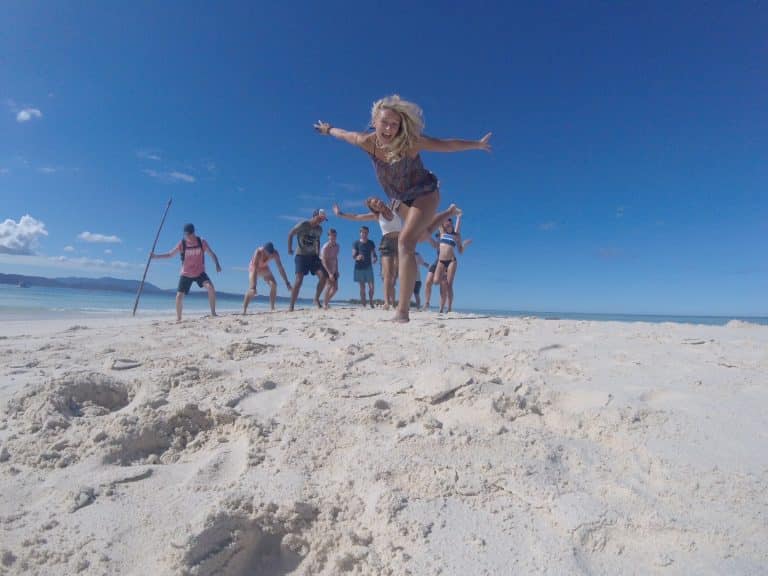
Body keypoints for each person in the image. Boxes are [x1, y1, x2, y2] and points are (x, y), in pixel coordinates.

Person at [314, 94, 491, 322]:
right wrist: (328, 130)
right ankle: (445, 216)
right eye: (384, 122)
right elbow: (345, 134)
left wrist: (476, 144)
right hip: (399, 199)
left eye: (394, 124)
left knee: (406, 241)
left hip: (425, 193)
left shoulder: (411, 143)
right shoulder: (366, 141)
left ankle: (402, 312)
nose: (388, 128)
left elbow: (446, 144)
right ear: (374, 122)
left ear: (400, 126)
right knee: (418, 237)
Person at [333, 197, 400, 309]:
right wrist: (340, 214)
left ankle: (394, 302)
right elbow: (357, 217)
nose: (378, 203)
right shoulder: (377, 216)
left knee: (395, 277)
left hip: (400, 243)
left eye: (378, 200)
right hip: (386, 244)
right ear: (375, 209)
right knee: (387, 274)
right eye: (375, 205)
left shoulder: (395, 206)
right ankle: (387, 302)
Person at [151, 223, 222, 322]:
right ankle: (179, 318)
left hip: (200, 272)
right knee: (179, 296)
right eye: (187, 234)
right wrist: (155, 256)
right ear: (185, 234)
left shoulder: (201, 242)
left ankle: (213, 313)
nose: (189, 236)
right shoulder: (182, 244)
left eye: (190, 234)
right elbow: (170, 254)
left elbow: (212, 253)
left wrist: (217, 264)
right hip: (186, 273)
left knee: (210, 288)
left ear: (194, 232)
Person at [287, 209, 329, 311]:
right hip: (301, 255)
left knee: (323, 277)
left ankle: (316, 299)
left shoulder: (319, 229)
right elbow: (290, 234)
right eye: (320, 218)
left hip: (313, 256)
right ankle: (291, 306)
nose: (321, 221)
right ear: (314, 216)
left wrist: (318, 253)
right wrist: (289, 248)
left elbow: (318, 241)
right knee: (299, 280)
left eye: (323, 219)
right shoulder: (303, 224)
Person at [242, 242, 292, 314]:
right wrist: (254, 286)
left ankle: (272, 308)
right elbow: (255, 268)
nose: (270, 254)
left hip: (264, 268)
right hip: (254, 268)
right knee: (252, 290)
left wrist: (287, 282)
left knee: (274, 285)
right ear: (264, 249)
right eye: (268, 252)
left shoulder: (275, 253)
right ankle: (244, 310)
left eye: (271, 252)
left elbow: (280, 268)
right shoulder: (258, 252)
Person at [434, 215, 468, 313]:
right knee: (436, 281)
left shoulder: (456, 235)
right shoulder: (442, 232)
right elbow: (438, 219)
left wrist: (459, 217)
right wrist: (448, 212)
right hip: (441, 261)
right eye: (446, 222)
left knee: (449, 285)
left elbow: (460, 251)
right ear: (444, 224)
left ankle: (448, 308)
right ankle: (443, 278)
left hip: (451, 261)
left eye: (450, 221)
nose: (448, 223)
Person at [352, 226, 378, 308]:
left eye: (366, 232)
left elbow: (374, 254)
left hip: (368, 266)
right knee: (362, 287)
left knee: (372, 287)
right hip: (359, 267)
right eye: (362, 232)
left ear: (368, 233)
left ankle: (371, 302)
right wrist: (357, 257)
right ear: (360, 233)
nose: (364, 234)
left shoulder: (371, 243)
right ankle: (364, 305)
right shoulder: (356, 243)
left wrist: (375, 258)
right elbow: (353, 256)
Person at [320, 228, 340, 309]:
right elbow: (323, 261)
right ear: (328, 236)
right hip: (325, 267)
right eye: (331, 236)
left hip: (334, 267)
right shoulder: (325, 247)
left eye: (334, 236)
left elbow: (336, 258)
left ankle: (326, 301)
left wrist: (337, 270)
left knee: (335, 288)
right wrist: (329, 273)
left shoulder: (337, 246)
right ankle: (325, 304)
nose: (333, 237)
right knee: (328, 285)